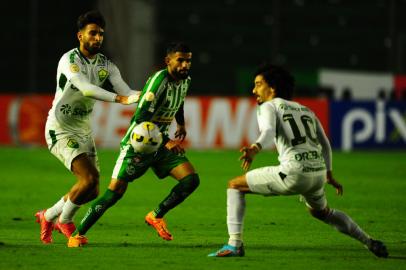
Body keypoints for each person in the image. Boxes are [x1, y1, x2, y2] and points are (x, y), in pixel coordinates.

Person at [208, 64, 388, 258]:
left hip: (293, 173)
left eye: (258, 84)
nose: (254, 90)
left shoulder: (269, 106)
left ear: (273, 88)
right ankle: (369, 241)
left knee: (234, 185)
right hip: (317, 174)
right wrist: (329, 174)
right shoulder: (306, 110)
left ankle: (234, 244)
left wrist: (255, 148)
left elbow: (268, 132)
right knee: (323, 212)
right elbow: (325, 143)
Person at [67, 42, 200, 247]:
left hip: (161, 143)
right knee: (114, 194)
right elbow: (141, 118)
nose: (185, 65)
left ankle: (156, 215)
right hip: (138, 145)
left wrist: (180, 124)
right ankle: (78, 234)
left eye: (188, 61)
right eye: (180, 60)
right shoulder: (159, 82)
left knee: (191, 180)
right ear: (168, 61)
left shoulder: (185, 80)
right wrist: (168, 141)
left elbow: (179, 100)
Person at [35, 10, 140, 244]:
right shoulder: (69, 60)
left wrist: (147, 94)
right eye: (92, 33)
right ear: (80, 36)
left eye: (101, 34)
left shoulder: (106, 65)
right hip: (60, 128)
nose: (98, 38)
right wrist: (120, 100)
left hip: (83, 130)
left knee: (91, 190)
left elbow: (126, 91)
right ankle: (64, 221)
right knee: (89, 179)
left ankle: (48, 215)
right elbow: (86, 88)